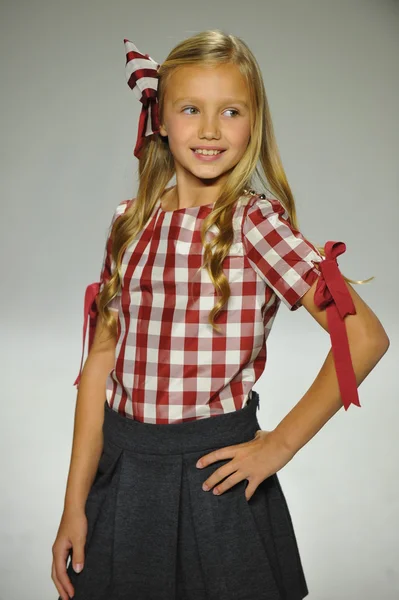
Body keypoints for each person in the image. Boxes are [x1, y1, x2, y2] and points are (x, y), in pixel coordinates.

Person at [51, 30, 390, 600]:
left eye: (230, 111)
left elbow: (366, 338)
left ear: (253, 124)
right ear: (160, 119)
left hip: (215, 480)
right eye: (191, 109)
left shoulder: (254, 226)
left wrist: (278, 445)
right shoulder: (129, 224)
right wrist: (74, 506)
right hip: (124, 474)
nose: (209, 130)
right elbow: (100, 364)